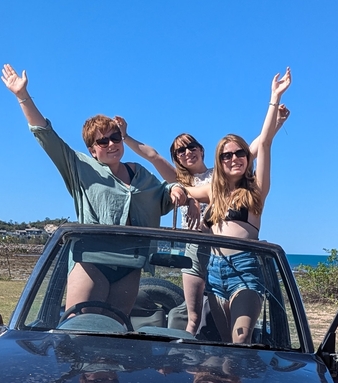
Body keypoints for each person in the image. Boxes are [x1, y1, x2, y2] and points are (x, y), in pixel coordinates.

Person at [0, 64, 192, 317]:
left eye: (116, 137)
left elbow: (163, 196)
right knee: (79, 326)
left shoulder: (139, 174)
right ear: (92, 149)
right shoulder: (80, 167)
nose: (111, 144)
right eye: (103, 141)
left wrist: (177, 189)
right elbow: (46, 136)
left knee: (116, 328)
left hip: (131, 263)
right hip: (92, 260)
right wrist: (22, 96)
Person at [115, 105, 289, 333]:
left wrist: (276, 123)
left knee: (236, 324)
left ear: (202, 149)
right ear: (176, 158)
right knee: (194, 314)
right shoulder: (179, 180)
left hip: (228, 250)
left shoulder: (220, 176)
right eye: (180, 151)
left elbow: (254, 149)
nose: (187, 152)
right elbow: (153, 156)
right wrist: (125, 137)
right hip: (197, 248)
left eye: (191, 146)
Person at [192, 68, 292, 344]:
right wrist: (184, 197)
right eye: (227, 155)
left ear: (247, 158)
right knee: (227, 348)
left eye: (240, 153)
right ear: (220, 160)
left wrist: (274, 98)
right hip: (213, 270)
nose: (234, 158)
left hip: (245, 269)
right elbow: (178, 190)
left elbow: (267, 141)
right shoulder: (213, 192)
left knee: (241, 341)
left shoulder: (256, 191)